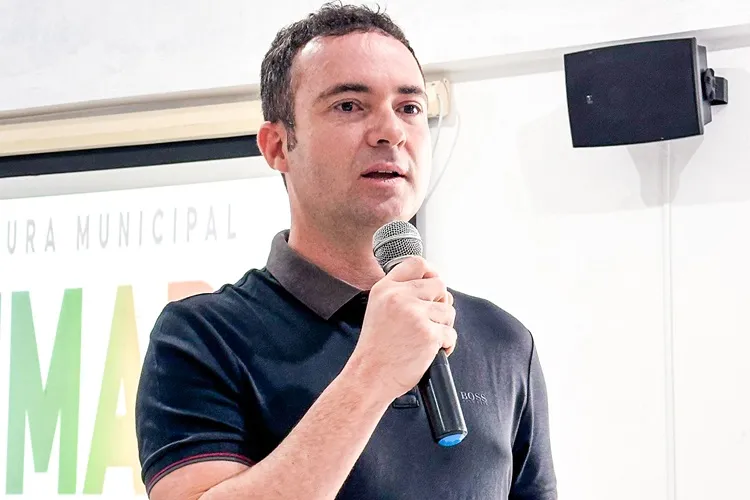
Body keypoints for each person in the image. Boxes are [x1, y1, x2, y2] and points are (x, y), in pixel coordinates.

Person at [135, 2, 557, 499]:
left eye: (410, 108)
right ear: (277, 146)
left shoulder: (504, 341)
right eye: (349, 106)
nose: (391, 132)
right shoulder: (203, 337)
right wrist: (372, 373)